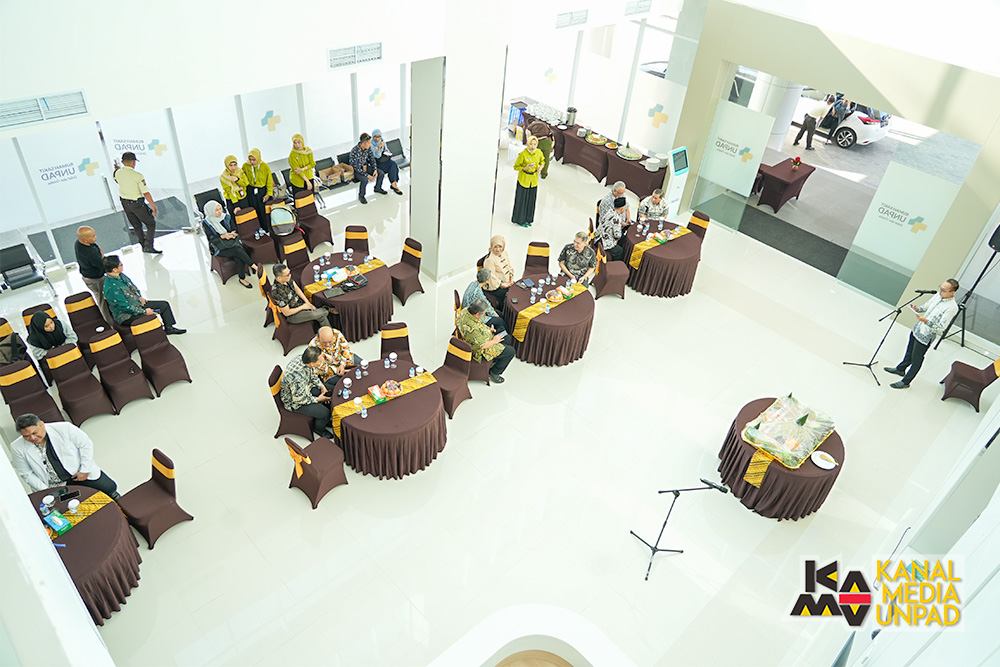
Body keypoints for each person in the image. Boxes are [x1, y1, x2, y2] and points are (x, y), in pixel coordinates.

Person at [10, 414, 120, 498]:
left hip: (79, 473)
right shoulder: (16, 447)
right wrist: (46, 490)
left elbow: (86, 445)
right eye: (26, 436)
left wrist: (85, 470)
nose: (32, 438)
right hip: (54, 485)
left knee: (109, 488)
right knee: (74, 507)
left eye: (34, 433)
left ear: (42, 424)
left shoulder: (65, 428)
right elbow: (26, 473)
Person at [884, 279, 960, 389]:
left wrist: (926, 321)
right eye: (940, 288)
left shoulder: (952, 307)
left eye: (943, 290)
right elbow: (925, 307)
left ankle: (906, 381)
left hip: (926, 336)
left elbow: (942, 327)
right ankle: (900, 369)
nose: (940, 291)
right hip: (917, 329)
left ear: (952, 292)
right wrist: (918, 309)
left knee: (917, 359)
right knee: (909, 352)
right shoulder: (937, 296)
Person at [102, 255, 186, 334]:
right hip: (127, 315)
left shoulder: (120, 275)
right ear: (114, 269)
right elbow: (125, 307)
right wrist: (144, 312)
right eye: (120, 265)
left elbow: (132, 287)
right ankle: (157, 334)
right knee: (151, 317)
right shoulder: (111, 288)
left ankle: (169, 328)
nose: (122, 266)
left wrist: (139, 297)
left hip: (136, 303)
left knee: (164, 305)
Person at [279, 347, 334, 439]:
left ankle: (324, 420)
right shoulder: (297, 379)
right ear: (312, 363)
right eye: (320, 361)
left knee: (330, 392)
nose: (322, 362)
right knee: (325, 413)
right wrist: (318, 399)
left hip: (306, 387)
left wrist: (322, 387)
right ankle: (319, 429)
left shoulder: (304, 359)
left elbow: (312, 375)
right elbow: (299, 399)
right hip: (295, 402)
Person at [456, 300, 515, 384]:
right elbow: (482, 346)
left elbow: (479, 324)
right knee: (511, 351)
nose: (484, 315)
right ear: (477, 314)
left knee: (506, 337)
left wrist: (488, 330)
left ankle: (497, 358)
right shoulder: (473, 329)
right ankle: (494, 372)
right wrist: (494, 341)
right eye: (483, 313)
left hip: (479, 338)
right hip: (479, 349)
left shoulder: (465, 311)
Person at [202, 201, 257, 289]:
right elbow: (211, 239)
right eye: (216, 210)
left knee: (239, 255)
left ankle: (242, 278)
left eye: (220, 209)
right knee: (238, 251)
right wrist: (223, 236)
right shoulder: (207, 222)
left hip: (231, 242)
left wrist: (232, 233)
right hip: (218, 247)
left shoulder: (226, 217)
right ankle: (254, 266)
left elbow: (234, 228)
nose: (220, 212)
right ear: (210, 211)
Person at [113, 151, 160, 254]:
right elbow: (145, 193)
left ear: (122, 162)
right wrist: (153, 205)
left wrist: (117, 169)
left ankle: (143, 244)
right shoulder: (138, 176)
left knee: (136, 225)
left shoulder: (117, 173)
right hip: (137, 204)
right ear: (134, 162)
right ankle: (149, 245)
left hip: (125, 203)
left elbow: (116, 178)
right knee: (151, 223)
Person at [270, 263, 332, 328]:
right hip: (293, 314)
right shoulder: (278, 292)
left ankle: (329, 332)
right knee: (315, 314)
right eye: (287, 275)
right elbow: (287, 313)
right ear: (279, 278)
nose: (290, 275)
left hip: (300, 303)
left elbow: (297, 289)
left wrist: (308, 303)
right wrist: (303, 307)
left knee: (321, 316)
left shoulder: (287, 278)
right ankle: (329, 309)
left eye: (289, 272)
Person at [74, 226, 113, 322]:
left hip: (89, 276)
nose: (96, 237)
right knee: (103, 301)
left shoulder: (78, 243)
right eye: (93, 236)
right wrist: (102, 256)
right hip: (95, 280)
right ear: (85, 240)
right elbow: (103, 265)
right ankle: (110, 323)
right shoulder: (90, 253)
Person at [308, 326, 362, 391]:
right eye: (324, 343)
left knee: (365, 368)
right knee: (342, 386)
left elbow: (346, 348)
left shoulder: (337, 334)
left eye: (330, 342)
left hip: (345, 359)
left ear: (333, 336)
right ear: (318, 337)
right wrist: (339, 370)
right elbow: (319, 366)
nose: (328, 345)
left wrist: (342, 364)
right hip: (330, 371)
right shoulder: (312, 347)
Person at [512, 136, 544, 227]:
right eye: (531, 144)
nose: (533, 146)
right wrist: (525, 168)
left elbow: (542, 161)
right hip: (524, 180)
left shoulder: (539, 152)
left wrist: (541, 167)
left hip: (533, 180)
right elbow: (516, 167)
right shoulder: (523, 154)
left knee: (531, 200)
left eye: (535, 144)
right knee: (522, 200)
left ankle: (528, 219)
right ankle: (520, 220)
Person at [463, 269, 507, 334]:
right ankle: (503, 335)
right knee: (499, 320)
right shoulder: (478, 293)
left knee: (499, 313)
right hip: (473, 315)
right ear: (486, 281)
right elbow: (487, 307)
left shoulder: (473, 283)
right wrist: (495, 315)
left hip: (470, 309)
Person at [242, 148, 273, 229]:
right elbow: (244, 180)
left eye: (254, 160)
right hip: (251, 190)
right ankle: (258, 228)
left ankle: (267, 228)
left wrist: (268, 194)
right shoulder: (245, 166)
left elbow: (269, 181)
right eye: (250, 159)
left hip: (262, 190)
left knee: (264, 211)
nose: (252, 162)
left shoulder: (264, 166)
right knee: (254, 211)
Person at [350, 132, 382, 204]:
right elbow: (357, 168)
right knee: (365, 180)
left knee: (381, 173)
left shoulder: (368, 148)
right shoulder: (355, 151)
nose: (370, 144)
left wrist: (375, 169)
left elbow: (372, 159)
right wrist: (368, 176)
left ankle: (378, 188)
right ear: (364, 144)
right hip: (356, 170)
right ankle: (361, 196)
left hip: (365, 167)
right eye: (369, 143)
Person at [483, 234, 515, 305]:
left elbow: (509, 266)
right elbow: (491, 278)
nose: (498, 249)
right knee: (508, 296)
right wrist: (503, 285)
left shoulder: (504, 253)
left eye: (500, 246)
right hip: (495, 286)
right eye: (495, 247)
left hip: (506, 281)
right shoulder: (489, 260)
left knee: (517, 289)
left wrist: (511, 278)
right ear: (492, 247)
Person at [597, 197, 631, 262]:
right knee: (620, 251)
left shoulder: (610, 211)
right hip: (603, 241)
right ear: (622, 209)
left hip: (599, 235)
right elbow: (617, 236)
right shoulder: (617, 218)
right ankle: (615, 264)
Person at [370, 129, 403, 195]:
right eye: (375, 137)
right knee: (385, 170)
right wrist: (379, 147)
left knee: (393, 164)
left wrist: (387, 152)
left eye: (379, 136)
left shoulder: (382, 141)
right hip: (377, 163)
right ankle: (381, 187)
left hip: (384, 160)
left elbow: (386, 149)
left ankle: (394, 184)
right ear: (373, 137)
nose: (377, 139)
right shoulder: (371, 145)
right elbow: (377, 156)